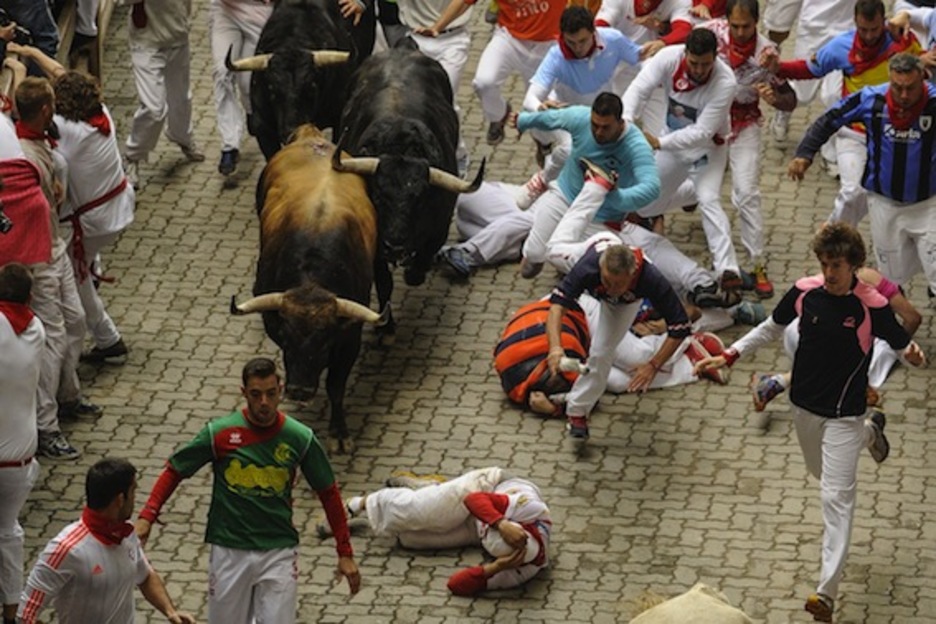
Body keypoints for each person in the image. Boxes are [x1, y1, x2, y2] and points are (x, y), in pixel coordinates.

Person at [694, 223, 926, 623]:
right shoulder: (805, 292)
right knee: (820, 475)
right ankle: (871, 433)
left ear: (853, 264)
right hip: (804, 408)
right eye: (824, 263)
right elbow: (771, 328)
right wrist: (731, 354)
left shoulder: (871, 305)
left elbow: (903, 344)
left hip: (843, 414)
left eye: (836, 264)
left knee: (835, 500)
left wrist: (913, 356)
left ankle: (826, 594)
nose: (829, 272)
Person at [135, 357, 361, 623]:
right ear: (244, 394)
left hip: (278, 551)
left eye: (270, 393)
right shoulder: (219, 434)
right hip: (229, 551)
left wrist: (345, 553)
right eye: (256, 394)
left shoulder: (300, 438)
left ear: (281, 389)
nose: (264, 402)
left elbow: (329, 493)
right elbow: (175, 470)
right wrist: (147, 516)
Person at [787, 53, 936, 309]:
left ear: (922, 79)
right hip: (883, 204)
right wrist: (804, 154)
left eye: (910, 88)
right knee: (890, 277)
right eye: (897, 87)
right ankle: (888, 337)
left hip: (929, 203)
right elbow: (829, 119)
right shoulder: (871, 98)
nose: (902, 95)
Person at [765, 0, 921, 226]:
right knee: (853, 192)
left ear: (884, 21)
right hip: (854, 133)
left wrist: (922, 61)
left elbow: (924, 68)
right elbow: (809, 69)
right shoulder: (842, 46)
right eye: (863, 29)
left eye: (875, 29)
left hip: (893, 136)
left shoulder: (902, 40)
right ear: (855, 22)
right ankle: (832, 237)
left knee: (894, 201)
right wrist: (778, 67)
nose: (868, 36)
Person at [622, 27, 742, 300]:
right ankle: (690, 192)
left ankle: (727, 270)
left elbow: (702, 131)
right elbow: (639, 88)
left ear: (715, 57)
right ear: (685, 53)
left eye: (706, 64)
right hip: (673, 147)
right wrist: (627, 121)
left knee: (710, 199)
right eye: (694, 62)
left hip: (708, 150)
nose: (699, 70)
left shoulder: (726, 82)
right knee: (646, 203)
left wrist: (659, 143)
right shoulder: (667, 57)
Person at [14, 76, 96, 459]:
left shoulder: (34, 145)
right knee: (51, 338)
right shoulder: (23, 156)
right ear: (46, 110)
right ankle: (46, 426)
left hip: (54, 245)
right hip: (38, 255)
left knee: (77, 320)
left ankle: (68, 394)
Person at [545, 232, 693, 439]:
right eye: (606, 280)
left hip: (622, 304)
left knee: (600, 351)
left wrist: (653, 365)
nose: (610, 288)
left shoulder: (651, 278)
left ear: (632, 276)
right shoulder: (588, 267)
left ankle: (577, 413)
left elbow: (680, 326)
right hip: (585, 251)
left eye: (617, 284)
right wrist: (555, 348)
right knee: (546, 251)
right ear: (601, 269)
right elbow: (557, 307)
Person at [17, 458, 195, 624]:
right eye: (133, 491)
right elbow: (26, 614)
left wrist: (170, 611)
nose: (135, 499)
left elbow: (145, 575)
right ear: (120, 499)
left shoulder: (125, 532)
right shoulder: (67, 549)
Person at [699, 0, 798, 298]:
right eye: (735, 25)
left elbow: (790, 99)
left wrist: (775, 100)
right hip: (708, 124)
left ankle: (757, 263)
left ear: (757, 22)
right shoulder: (710, 34)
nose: (740, 32)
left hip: (745, 124)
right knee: (698, 188)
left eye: (746, 26)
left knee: (746, 193)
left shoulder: (768, 54)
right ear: (726, 21)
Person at [513, 92, 660, 279]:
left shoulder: (636, 146)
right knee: (530, 264)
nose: (598, 132)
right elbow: (551, 119)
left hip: (600, 217)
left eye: (605, 127)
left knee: (590, 271)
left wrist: (617, 196)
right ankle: (543, 178)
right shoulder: (580, 117)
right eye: (595, 125)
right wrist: (522, 121)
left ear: (620, 122)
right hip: (565, 196)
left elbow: (652, 187)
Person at [340, 466, 551, 596]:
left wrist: (495, 568)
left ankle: (428, 488)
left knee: (411, 539)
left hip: (476, 528)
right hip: (487, 489)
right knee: (417, 513)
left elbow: (455, 585)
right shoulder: (532, 510)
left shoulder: (524, 569)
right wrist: (500, 524)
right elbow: (474, 500)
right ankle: (358, 504)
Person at [516, 6, 643, 207]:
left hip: (601, 114)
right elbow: (529, 99)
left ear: (594, 32)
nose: (578, 48)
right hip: (568, 116)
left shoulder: (614, 40)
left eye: (583, 41)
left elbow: (642, 58)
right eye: (571, 42)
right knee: (569, 150)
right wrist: (541, 107)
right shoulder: (555, 56)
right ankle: (542, 180)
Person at [751, 265, 922, 412]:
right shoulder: (876, 287)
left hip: (798, 332)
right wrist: (901, 343)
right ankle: (776, 382)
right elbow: (913, 318)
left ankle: (776, 383)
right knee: (859, 356)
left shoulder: (850, 283)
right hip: (812, 339)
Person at [426, 0, 565, 146]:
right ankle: (499, 114)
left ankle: (543, 143)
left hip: (548, 44)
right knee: (484, 82)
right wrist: (438, 27)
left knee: (540, 105)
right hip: (509, 38)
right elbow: (464, 2)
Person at [122, 0, 206, 190]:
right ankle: (132, 156)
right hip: (146, 42)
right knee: (153, 109)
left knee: (181, 98)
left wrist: (185, 21)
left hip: (177, 36)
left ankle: (182, 137)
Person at [0, 262, 44, 624]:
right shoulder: (38, 330)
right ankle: (12, 613)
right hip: (22, 463)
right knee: (9, 534)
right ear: (30, 297)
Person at [208, 0, 273, 177]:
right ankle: (230, 146)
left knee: (249, 81)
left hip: (259, 11)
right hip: (225, 11)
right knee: (222, 73)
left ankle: (252, 113)